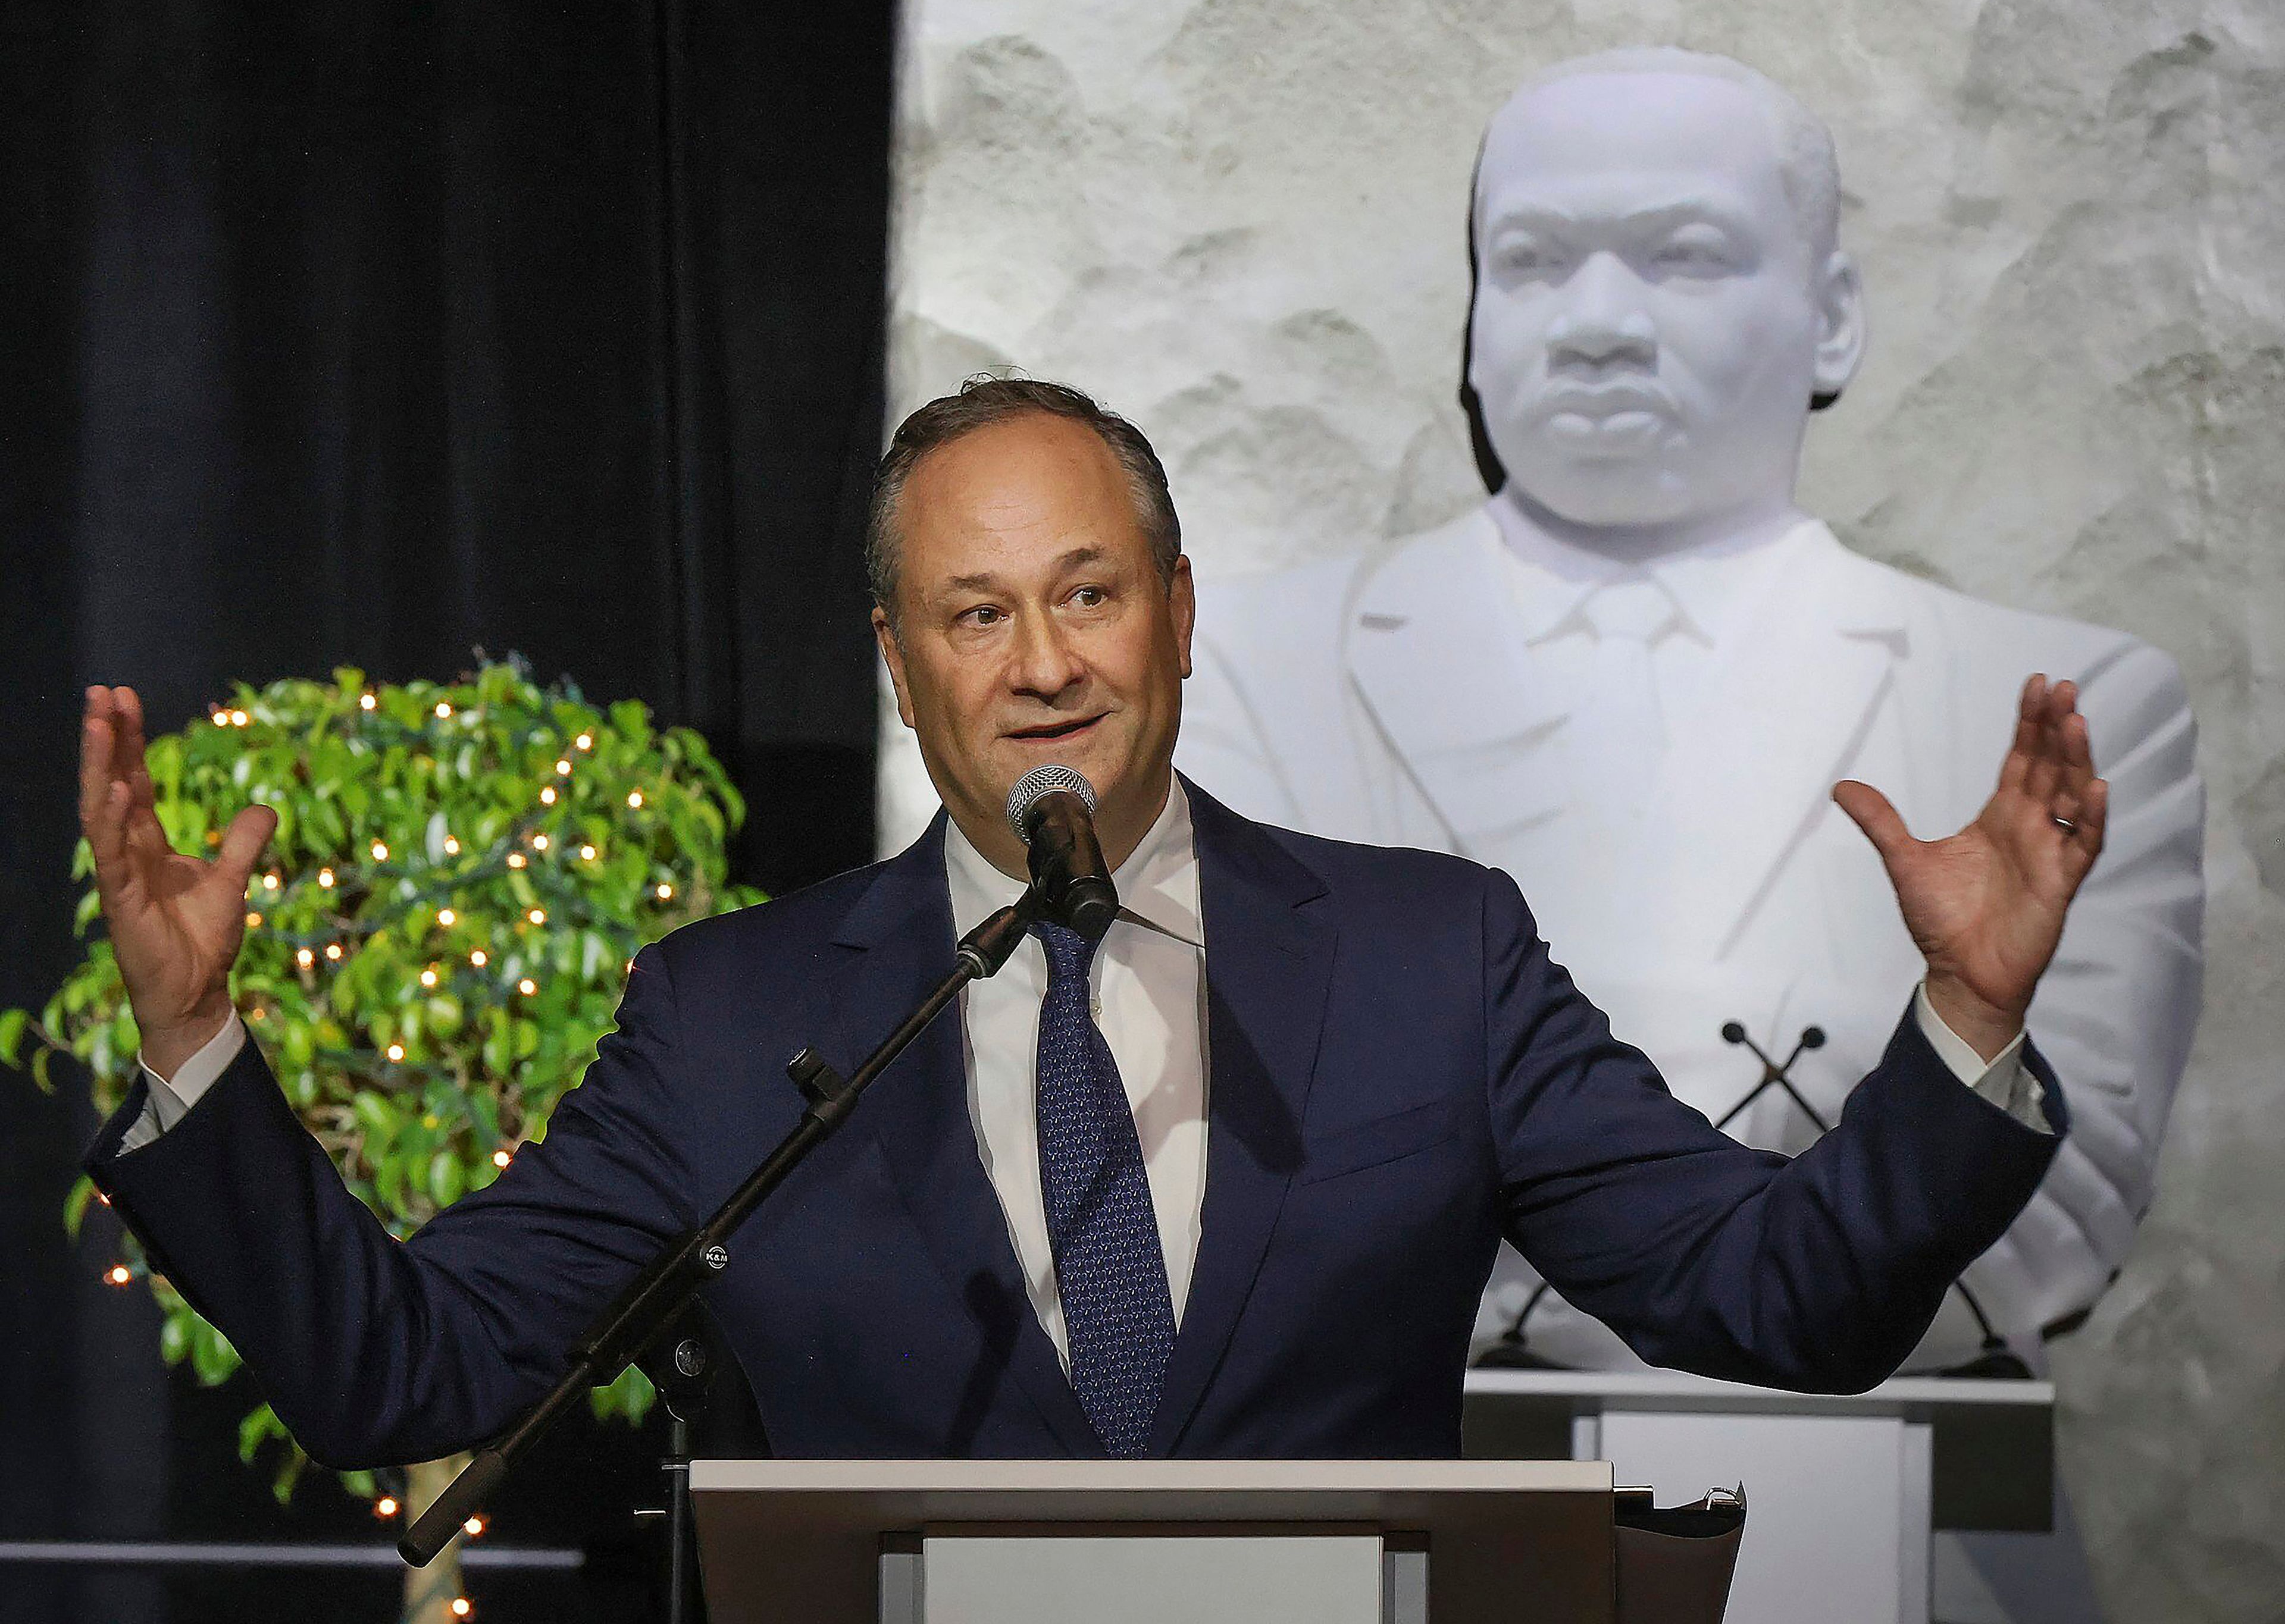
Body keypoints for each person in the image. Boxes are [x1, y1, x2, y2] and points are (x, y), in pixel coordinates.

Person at [80, 376, 2093, 1471]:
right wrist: (195, 1050)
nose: (1043, 662)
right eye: (977, 611)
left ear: (1183, 612)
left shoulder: (1432, 959)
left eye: (1090, 591)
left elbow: (1784, 1292)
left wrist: (1966, 1020)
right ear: (900, 661)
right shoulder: (731, 1014)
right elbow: (407, 1368)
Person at [1177, 49, 2203, 1375]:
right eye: (1537, 259)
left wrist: (1465, 1142)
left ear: (1834, 316)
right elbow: (1202, 1165)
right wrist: (1777, 1143)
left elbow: (2057, 1212)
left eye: (1687, 257)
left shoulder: (2064, 703)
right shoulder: (1251, 670)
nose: (1597, 322)